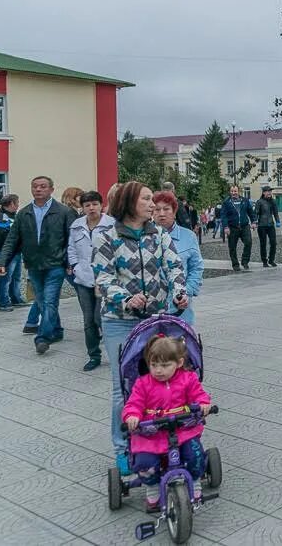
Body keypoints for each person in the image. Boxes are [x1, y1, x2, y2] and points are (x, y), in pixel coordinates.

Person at [93, 181, 189, 476]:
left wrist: (178, 293)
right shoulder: (106, 236)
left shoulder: (158, 234)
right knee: (124, 387)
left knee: (160, 380)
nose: (152, 204)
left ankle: (162, 439)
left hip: (155, 317)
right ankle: (123, 449)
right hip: (119, 321)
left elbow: (174, 267)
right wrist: (126, 298)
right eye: (146, 199)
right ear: (129, 202)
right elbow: (103, 277)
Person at [122, 335, 211, 510]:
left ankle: (195, 479)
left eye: (164, 365)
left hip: (182, 429)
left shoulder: (188, 378)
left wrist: (203, 403)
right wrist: (132, 415)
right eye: (153, 365)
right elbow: (134, 403)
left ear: (178, 363)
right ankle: (152, 486)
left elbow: (198, 394)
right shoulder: (143, 383)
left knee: (195, 455)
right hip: (150, 433)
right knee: (144, 462)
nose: (158, 371)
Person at [0, 176, 77, 355]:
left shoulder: (64, 212)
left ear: (51, 190)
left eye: (43, 186)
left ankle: (42, 337)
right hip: (33, 265)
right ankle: (56, 330)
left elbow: (72, 241)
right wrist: (3, 262)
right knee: (41, 301)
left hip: (55, 264)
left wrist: (70, 262)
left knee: (49, 301)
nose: (38, 189)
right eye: (35, 187)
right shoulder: (23, 213)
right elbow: (12, 240)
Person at [68, 191, 115, 371]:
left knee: (100, 317)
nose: (91, 208)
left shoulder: (111, 225)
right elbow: (71, 248)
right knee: (88, 320)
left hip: (104, 278)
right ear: (83, 208)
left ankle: (115, 351)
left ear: (101, 205)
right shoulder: (76, 225)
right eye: (87, 205)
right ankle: (93, 355)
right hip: (83, 278)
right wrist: (75, 266)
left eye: (94, 204)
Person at [153, 191, 203, 323]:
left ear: (174, 212)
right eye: (157, 209)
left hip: (180, 306)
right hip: (152, 307)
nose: (161, 213)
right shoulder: (144, 237)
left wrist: (187, 292)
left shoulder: (188, 236)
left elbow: (196, 268)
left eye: (166, 209)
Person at [0, 195, 26, 312]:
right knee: (5, 279)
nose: (18, 205)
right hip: (7, 253)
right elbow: (2, 236)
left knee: (16, 277)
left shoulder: (14, 216)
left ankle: (16, 299)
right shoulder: (2, 217)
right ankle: (3, 302)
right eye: (17, 202)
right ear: (11, 203)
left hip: (17, 252)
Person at [219, 185, 256, 271]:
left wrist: (254, 222)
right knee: (232, 247)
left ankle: (245, 261)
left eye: (235, 191)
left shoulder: (245, 201)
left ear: (238, 191)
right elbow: (223, 215)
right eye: (232, 191)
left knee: (248, 242)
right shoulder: (226, 202)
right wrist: (225, 227)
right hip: (232, 227)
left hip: (244, 226)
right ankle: (235, 264)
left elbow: (251, 212)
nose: (233, 193)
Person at [255, 186, 280, 268]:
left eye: (270, 191)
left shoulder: (273, 201)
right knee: (263, 244)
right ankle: (264, 261)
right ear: (263, 193)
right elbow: (256, 213)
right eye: (267, 191)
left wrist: (278, 221)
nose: (269, 192)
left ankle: (271, 260)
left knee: (273, 243)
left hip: (270, 225)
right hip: (262, 225)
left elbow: (276, 213)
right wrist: (254, 222)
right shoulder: (259, 202)